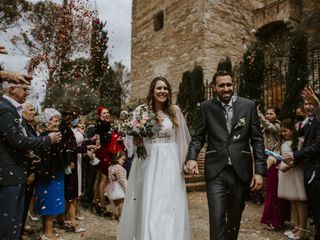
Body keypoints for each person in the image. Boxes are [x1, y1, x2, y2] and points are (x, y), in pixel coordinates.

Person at [185, 70, 266, 240]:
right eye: (221, 85)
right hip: (216, 170)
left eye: (229, 84)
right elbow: (198, 136)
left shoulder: (248, 106)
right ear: (214, 88)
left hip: (240, 170)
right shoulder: (206, 107)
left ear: (233, 85)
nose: (226, 88)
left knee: (234, 219)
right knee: (217, 217)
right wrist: (192, 157)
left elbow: (257, 139)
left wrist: (259, 171)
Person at [117, 76, 192, 240]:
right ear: (152, 90)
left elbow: (182, 140)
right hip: (148, 161)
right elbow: (128, 139)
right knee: (151, 200)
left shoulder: (175, 111)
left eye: (165, 88)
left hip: (171, 162)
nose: (162, 91)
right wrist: (136, 140)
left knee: (169, 202)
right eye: (159, 88)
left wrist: (184, 162)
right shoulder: (142, 111)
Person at [0, 79, 61, 240]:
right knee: (8, 223)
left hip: (17, 173)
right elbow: (18, 141)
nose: (27, 92)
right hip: (9, 174)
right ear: (12, 89)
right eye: (24, 89)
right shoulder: (5, 109)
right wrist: (47, 140)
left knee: (15, 221)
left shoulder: (12, 108)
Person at [284, 92, 320, 240]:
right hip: (308, 167)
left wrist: (295, 155)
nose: (308, 106)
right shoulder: (309, 120)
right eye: (306, 103)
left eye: (311, 103)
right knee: (315, 206)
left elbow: (318, 145)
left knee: (317, 207)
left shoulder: (317, 119)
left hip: (316, 170)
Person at [34, 108, 66, 240]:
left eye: (58, 120)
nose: (57, 123)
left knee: (49, 202)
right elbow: (49, 158)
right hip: (49, 175)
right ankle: (48, 232)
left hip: (53, 173)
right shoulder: (47, 137)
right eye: (55, 120)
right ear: (46, 122)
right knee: (49, 202)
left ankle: (46, 231)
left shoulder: (49, 136)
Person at [277, 119, 307, 239]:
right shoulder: (283, 144)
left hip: (295, 173)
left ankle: (303, 229)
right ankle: (297, 225)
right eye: (281, 131)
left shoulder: (299, 142)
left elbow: (301, 158)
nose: (283, 133)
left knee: (299, 201)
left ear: (292, 131)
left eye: (285, 131)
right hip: (286, 173)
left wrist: (289, 165)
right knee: (292, 200)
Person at [105, 151, 127, 221]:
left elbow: (110, 177)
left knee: (115, 202)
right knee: (121, 202)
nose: (124, 161)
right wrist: (126, 188)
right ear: (117, 159)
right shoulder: (119, 168)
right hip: (118, 187)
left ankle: (114, 215)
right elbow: (121, 179)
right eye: (122, 159)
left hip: (112, 186)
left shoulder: (111, 167)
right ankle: (121, 216)